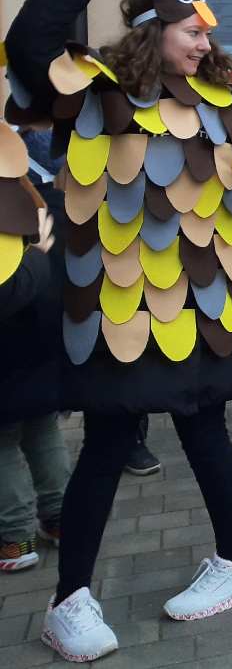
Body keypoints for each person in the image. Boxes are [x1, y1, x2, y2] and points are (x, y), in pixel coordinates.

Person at [5, 0, 232, 662]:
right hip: (118, 307)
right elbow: (29, 47)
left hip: (202, 307)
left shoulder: (224, 105)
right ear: (153, 33)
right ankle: (71, 600)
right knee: (107, 441)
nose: (207, 44)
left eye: (207, 34)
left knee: (206, 431)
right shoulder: (95, 91)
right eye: (193, 32)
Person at [0, 125, 66, 574]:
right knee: (42, 430)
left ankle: (15, 537)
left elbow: (11, 288)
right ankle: (58, 518)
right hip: (36, 341)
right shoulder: (28, 186)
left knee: (7, 441)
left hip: (16, 347)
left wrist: (36, 258)